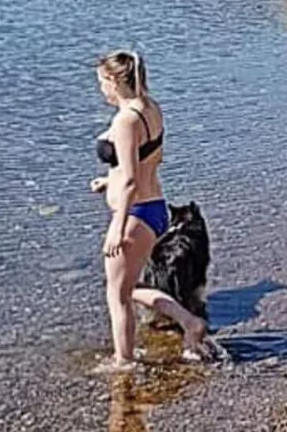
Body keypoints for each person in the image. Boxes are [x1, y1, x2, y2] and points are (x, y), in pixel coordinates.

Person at [90, 50, 215, 367]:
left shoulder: (125, 120)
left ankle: (124, 361)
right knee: (128, 287)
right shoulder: (150, 108)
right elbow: (147, 159)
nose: (100, 90)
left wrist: (117, 228)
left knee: (117, 296)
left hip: (136, 214)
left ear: (114, 81)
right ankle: (190, 322)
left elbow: (131, 180)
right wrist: (109, 181)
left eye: (102, 83)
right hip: (155, 207)